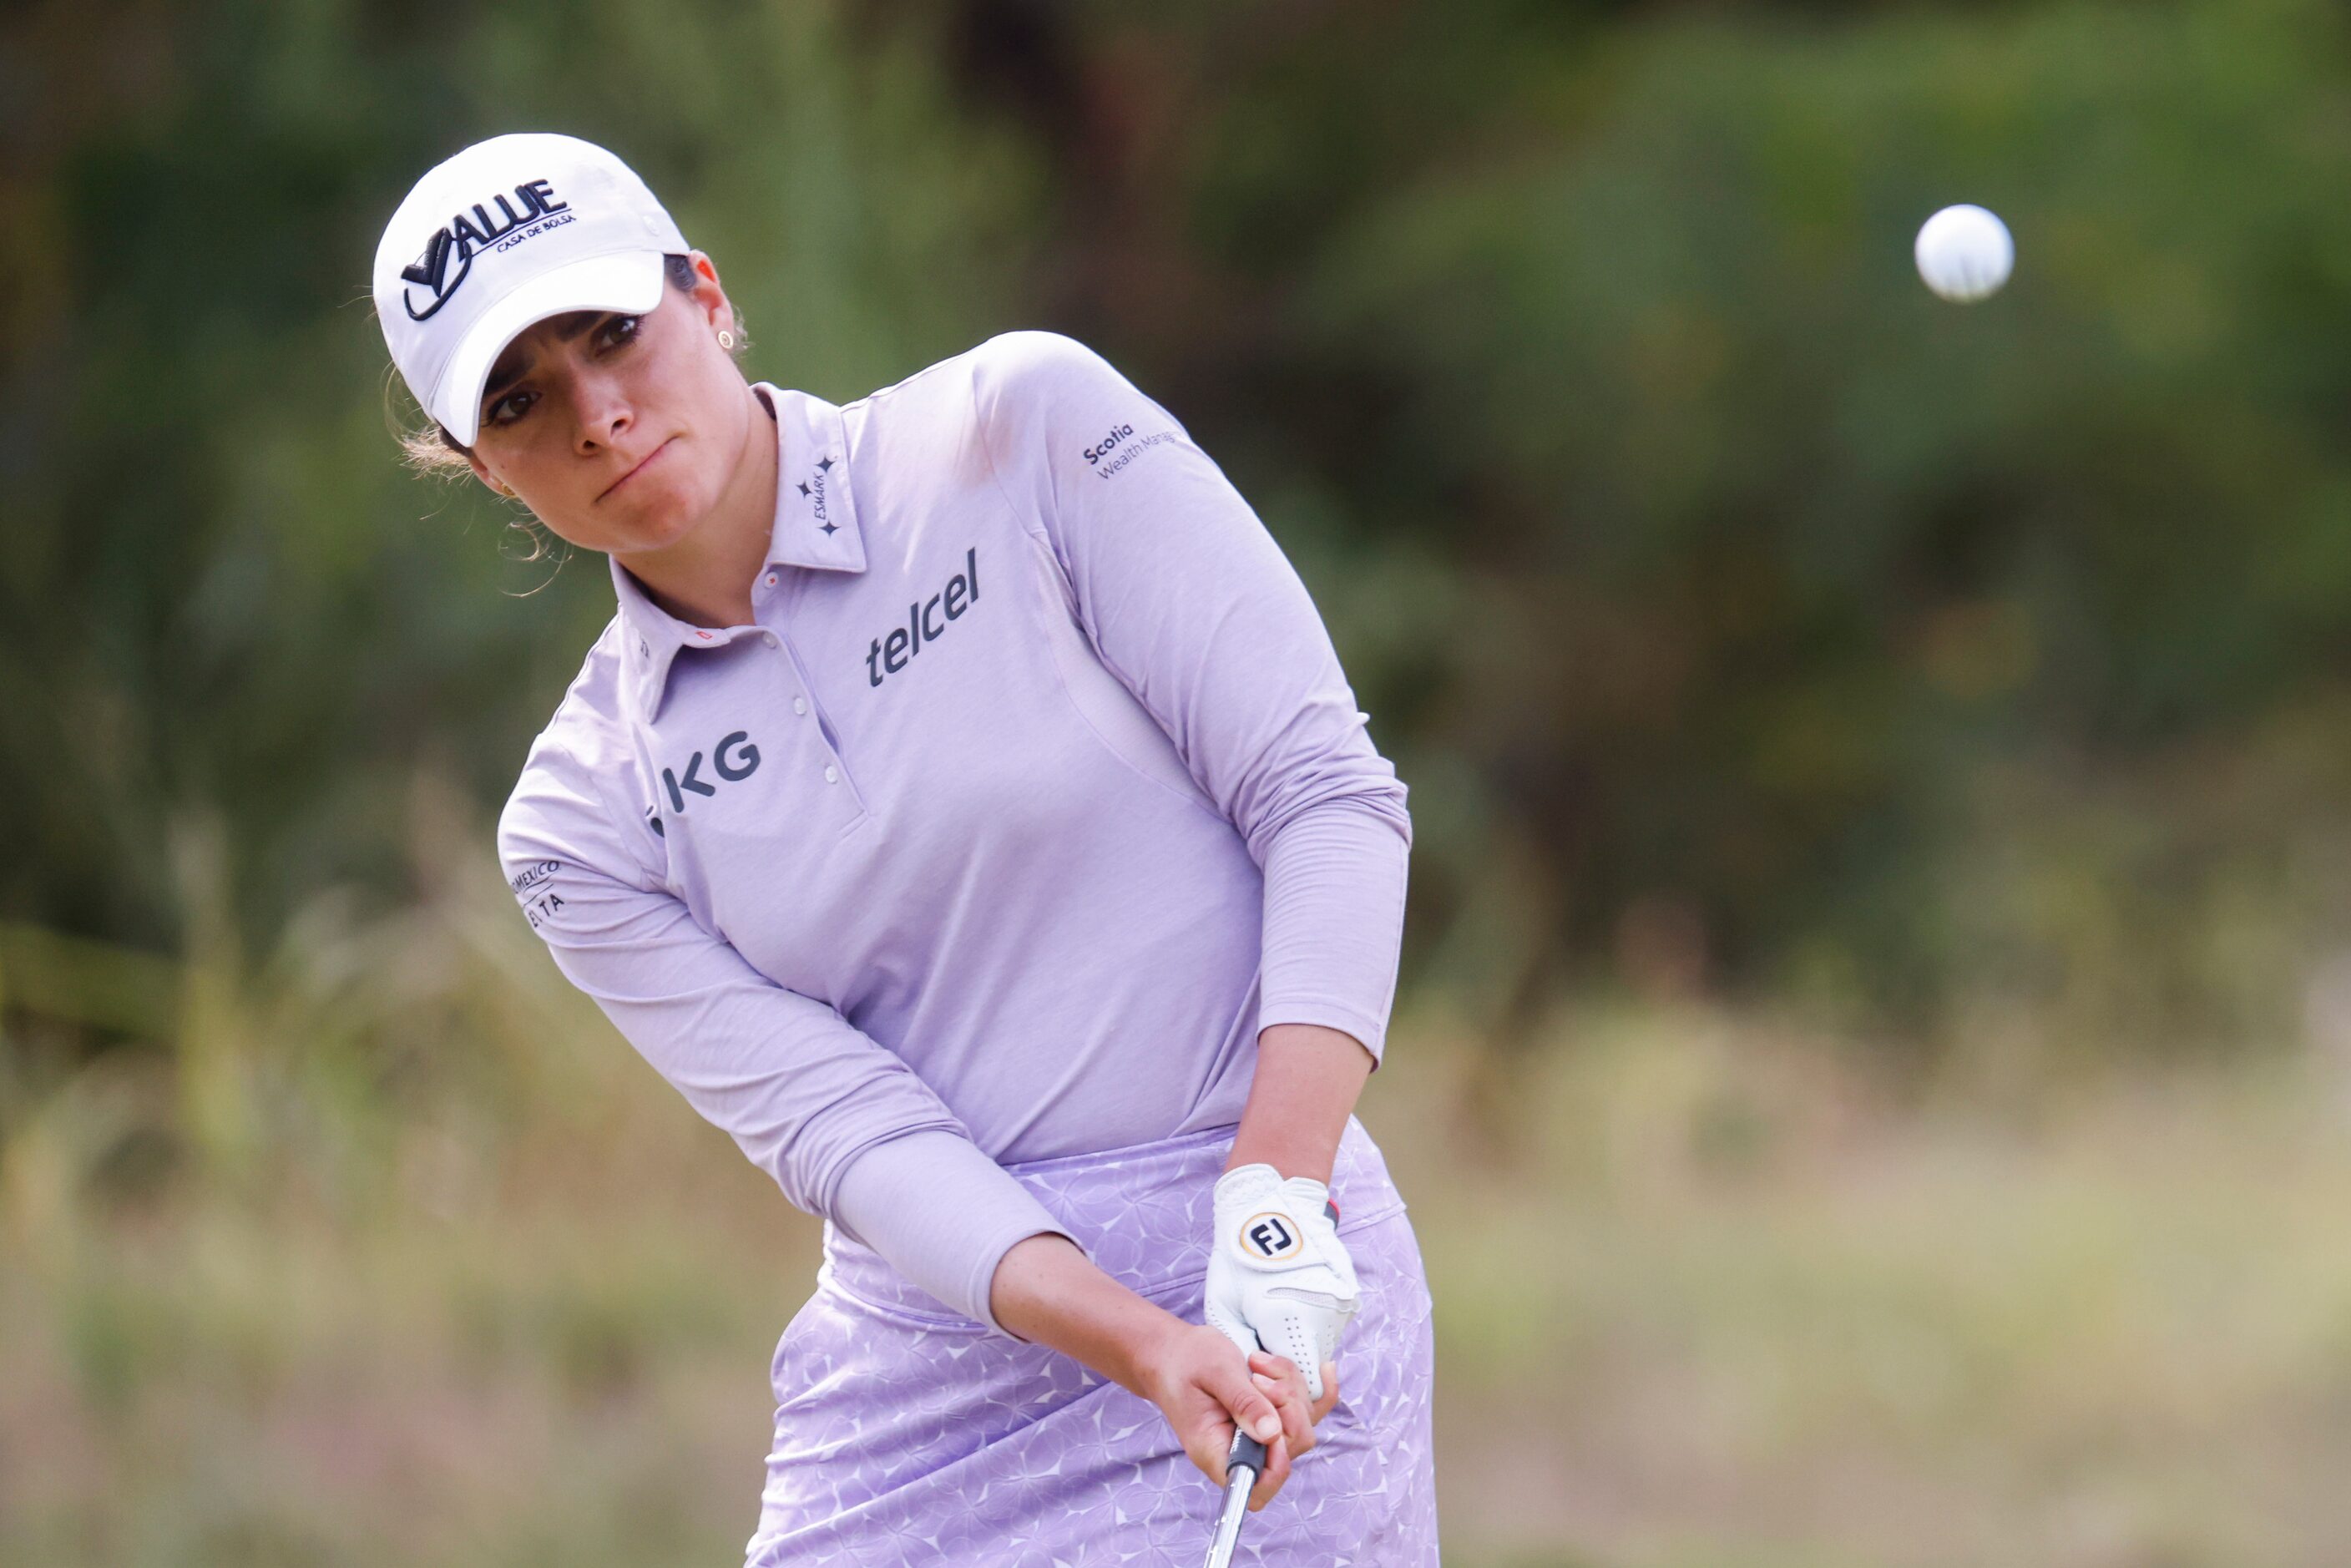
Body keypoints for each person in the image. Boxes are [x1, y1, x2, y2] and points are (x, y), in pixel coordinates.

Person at [371, 130, 1436, 1565]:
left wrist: (1273, 1199)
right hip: (928, 1366)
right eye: (520, 400)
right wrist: (1126, 1337)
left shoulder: (1018, 431)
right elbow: (854, 1135)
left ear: (707, 294)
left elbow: (1323, 791)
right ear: (488, 471)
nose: (599, 416)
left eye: (615, 335)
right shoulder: (582, 819)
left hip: (1261, 1272)